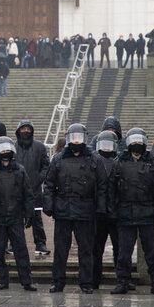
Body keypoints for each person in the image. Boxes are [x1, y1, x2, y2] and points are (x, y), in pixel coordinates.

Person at [43, 123, 107, 294]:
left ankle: (86, 282)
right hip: (63, 209)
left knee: (86, 249)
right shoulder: (58, 159)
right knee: (61, 249)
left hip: (85, 210)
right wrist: (49, 206)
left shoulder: (95, 159)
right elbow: (49, 184)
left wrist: (101, 208)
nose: (77, 141)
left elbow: (102, 186)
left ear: (85, 139)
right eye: (74, 137)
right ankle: (58, 281)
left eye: (79, 137)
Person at [107, 128, 154, 295]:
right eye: (134, 141)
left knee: (151, 252)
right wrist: (112, 211)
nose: (137, 145)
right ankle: (123, 282)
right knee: (124, 252)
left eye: (140, 142)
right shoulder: (119, 162)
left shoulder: (153, 163)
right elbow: (111, 189)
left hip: (147, 214)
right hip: (125, 214)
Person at [0, 136, 38, 291]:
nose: (5, 152)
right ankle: (3, 279)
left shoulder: (20, 170)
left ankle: (26, 280)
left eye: (7, 149)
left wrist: (29, 213)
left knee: (21, 250)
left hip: (15, 216)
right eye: (2, 149)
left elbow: (27, 193)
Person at [14, 120, 51, 255]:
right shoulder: (13, 147)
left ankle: (40, 243)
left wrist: (38, 179)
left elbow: (46, 166)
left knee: (37, 219)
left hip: (34, 189)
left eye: (28, 129)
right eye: (23, 129)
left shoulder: (40, 147)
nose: (25, 132)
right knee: (16, 219)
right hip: (16, 189)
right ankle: (14, 244)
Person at [92, 130, 119, 290]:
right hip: (99, 213)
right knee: (96, 248)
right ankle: (95, 278)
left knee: (120, 248)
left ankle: (123, 277)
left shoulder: (119, 162)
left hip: (115, 212)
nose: (107, 149)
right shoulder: (94, 162)